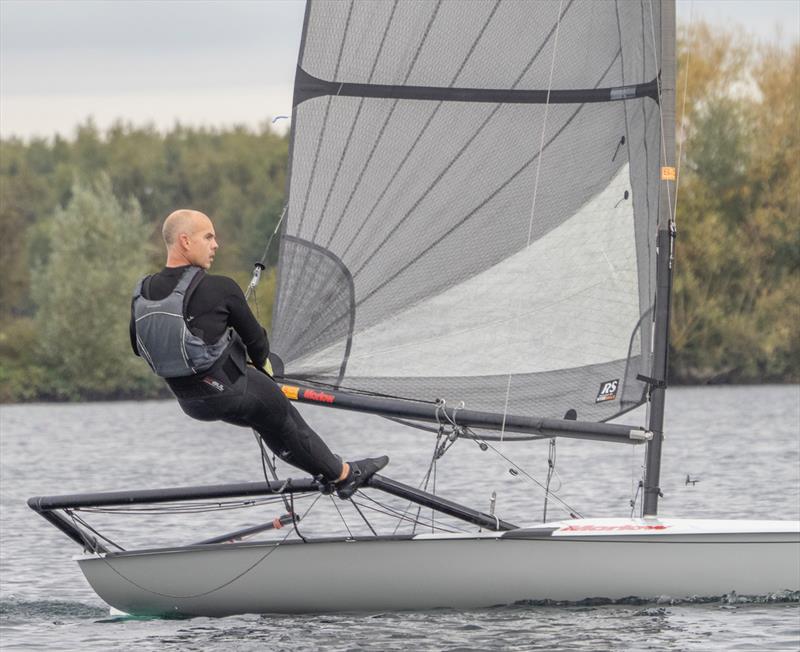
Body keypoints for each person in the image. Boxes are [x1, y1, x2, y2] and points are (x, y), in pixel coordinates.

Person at [130, 209, 387, 498]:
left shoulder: (142, 293)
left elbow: (140, 348)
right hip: (230, 392)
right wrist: (255, 362)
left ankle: (324, 473)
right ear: (185, 241)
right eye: (209, 236)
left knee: (270, 424)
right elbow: (258, 344)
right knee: (283, 417)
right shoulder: (221, 288)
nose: (216, 244)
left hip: (191, 403)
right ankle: (343, 475)